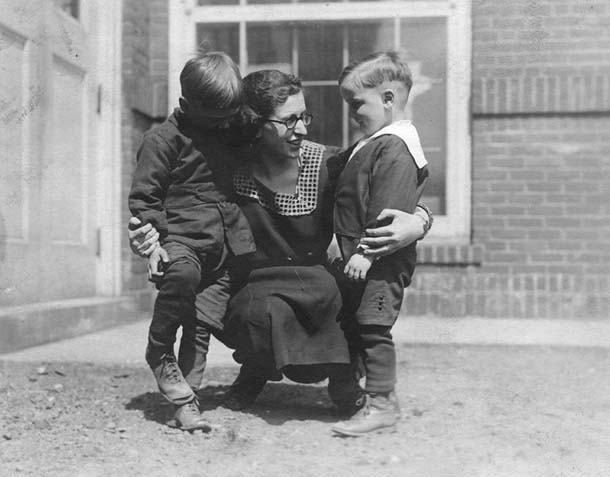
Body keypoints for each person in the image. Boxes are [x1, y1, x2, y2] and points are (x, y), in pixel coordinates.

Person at [128, 69, 433, 416]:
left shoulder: (330, 163)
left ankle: (343, 376)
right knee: (241, 303)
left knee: (343, 293)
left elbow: (386, 185)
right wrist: (148, 238)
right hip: (250, 289)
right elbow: (172, 199)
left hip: (316, 286)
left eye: (304, 117)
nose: (302, 128)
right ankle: (250, 373)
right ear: (257, 123)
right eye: (289, 120)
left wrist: (420, 220)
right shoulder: (228, 167)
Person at [128, 51, 255, 431]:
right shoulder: (163, 140)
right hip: (180, 239)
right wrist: (155, 243)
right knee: (180, 276)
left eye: (229, 116)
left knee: (201, 324)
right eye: (216, 119)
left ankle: (186, 402)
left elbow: (254, 122)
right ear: (187, 104)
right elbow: (145, 198)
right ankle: (159, 346)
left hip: (224, 242)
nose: (224, 125)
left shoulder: (230, 126)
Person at [329, 50, 429, 436]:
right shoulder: (374, 143)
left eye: (358, 104)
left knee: (374, 327)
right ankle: (364, 394)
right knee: (358, 324)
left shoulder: (397, 148)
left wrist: (367, 255)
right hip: (359, 257)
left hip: (381, 260)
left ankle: (382, 404)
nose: (354, 113)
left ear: (388, 99)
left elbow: (387, 211)